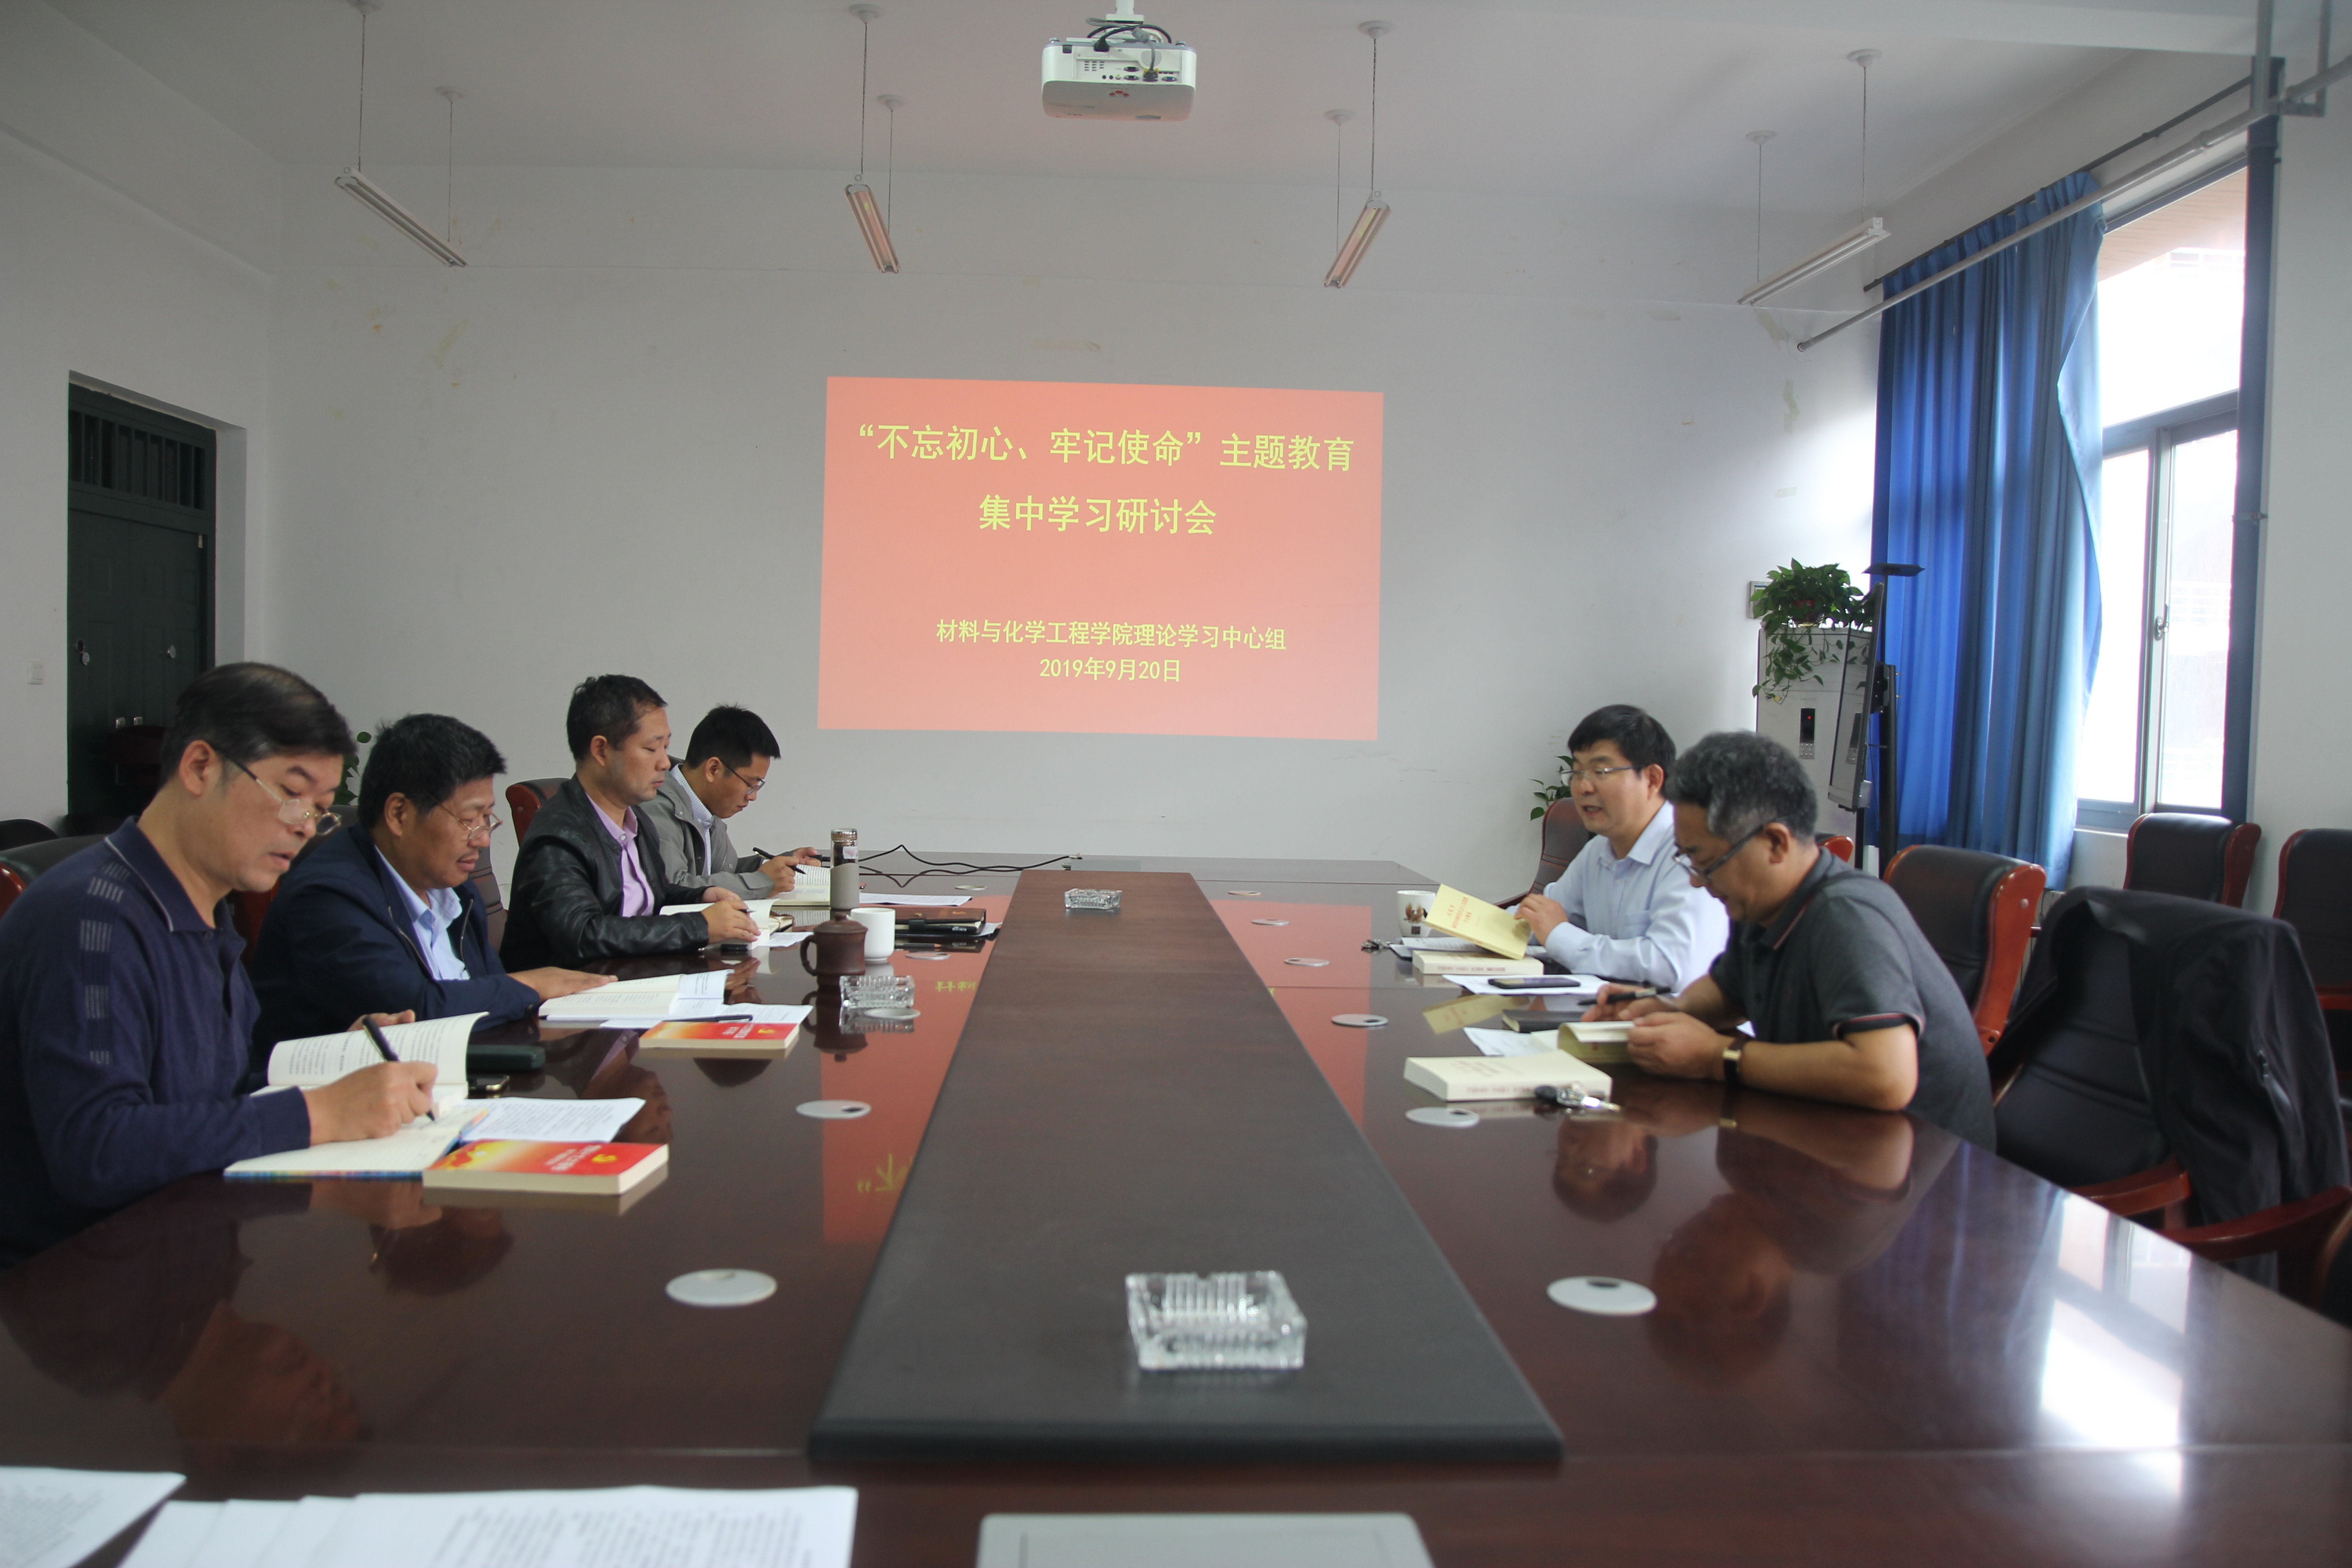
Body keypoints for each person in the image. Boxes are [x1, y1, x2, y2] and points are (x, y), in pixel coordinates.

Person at [0, 663, 441, 1267]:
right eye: (291, 796)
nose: (305, 830)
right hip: (78, 1287)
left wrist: (335, 1065)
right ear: (201, 768)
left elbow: (203, 1095)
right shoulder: (89, 919)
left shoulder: (207, 911)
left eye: (319, 810)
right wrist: (319, 1112)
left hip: (189, 1249)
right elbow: (97, 1150)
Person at [1585, 730, 1996, 1149]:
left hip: (1921, 1163)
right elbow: (1730, 991)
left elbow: (1885, 1076)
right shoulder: (1759, 903)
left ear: (1776, 843)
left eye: (1706, 862)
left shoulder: (1845, 914)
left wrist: (1716, 1057)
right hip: (1829, 1135)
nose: (1696, 881)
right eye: (1688, 859)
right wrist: (1670, 1009)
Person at [250, 713, 613, 1048]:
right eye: (470, 819)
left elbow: (488, 994)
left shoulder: (455, 888)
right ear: (399, 814)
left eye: (487, 818)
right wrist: (532, 984)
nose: (483, 839)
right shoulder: (328, 896)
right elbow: (414, 1011)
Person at [500, 675, 761, 970]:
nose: (665, 763)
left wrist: (701, 896)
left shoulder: (636, 820)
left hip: (632, 976)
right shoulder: (558, 837)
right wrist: (699, 926)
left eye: (666, 747)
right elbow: (583, 935)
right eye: (651, 749)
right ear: (601, 751)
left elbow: (649, 897)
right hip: (574, 992)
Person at [1510, 705, 1729, 991]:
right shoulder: (1599, 850)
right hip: (1607, 1009)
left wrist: (1561, 936)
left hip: (1677, 1016)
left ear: (1652, 779)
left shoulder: (1687, 851)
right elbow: (1538, 919)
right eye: (1577, 772)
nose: (1583, 787)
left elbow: (1672, 966)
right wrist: (1461, 926)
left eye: (1601, 772)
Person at [637, 705, 821, 900]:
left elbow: (723, 872)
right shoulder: (656, 807)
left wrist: (781, 864)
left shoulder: (705, 806)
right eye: (750, 784)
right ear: (713, 769)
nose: (752, 796)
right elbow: (673, 888)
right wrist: (763, 881)